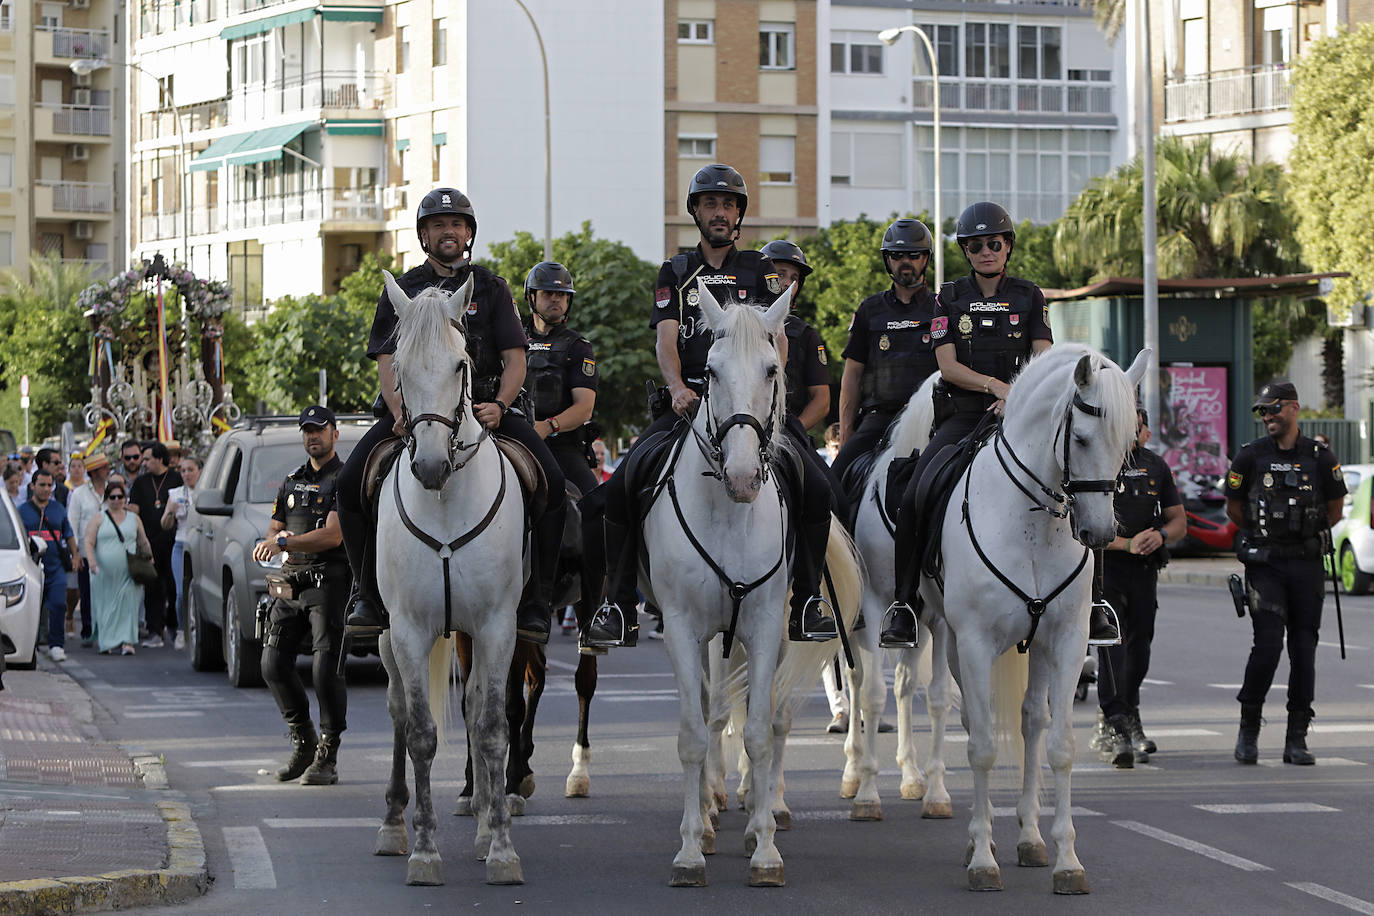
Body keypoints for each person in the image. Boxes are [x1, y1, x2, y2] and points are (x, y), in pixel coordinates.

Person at [584, 163, 836, 647]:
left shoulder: (761, 270)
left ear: (739, 214)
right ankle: (618, 604)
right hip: (688, 405)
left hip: (749, 410)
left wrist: (768, 393)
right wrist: (677, 386)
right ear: (695, 212)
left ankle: (806, 599)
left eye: (728, 204)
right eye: (710, 204)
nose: (719, 212)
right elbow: (665, 340)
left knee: (818, 488)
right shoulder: (675, 271)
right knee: (617, 491)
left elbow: (776, 341)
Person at [338, 187, 567, 646]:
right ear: (424, 235)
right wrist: (401, 410)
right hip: (416, 412)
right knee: (348, 486)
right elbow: (387, 360)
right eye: (439, 225)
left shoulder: (494, 288)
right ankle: (366, 594)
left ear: (468, 233)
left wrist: (501, 405)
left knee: (554, 483)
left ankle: (537, 599)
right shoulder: (400, 290)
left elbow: (515, 359)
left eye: (458, 224)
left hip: (486, 408)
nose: (450, 231)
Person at [886, 201, 1062, 649]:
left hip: (1021, 417)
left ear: (1007, 247)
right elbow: (947, 365)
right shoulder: (949, 296)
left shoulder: (1030, 295)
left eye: (995, 243)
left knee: (1079, 485)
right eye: (977, 245)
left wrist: (1017, 398)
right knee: (916, 493)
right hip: (964, 415)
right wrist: (998, 389)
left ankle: (1094, 603)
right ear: (966, 250)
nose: (987, 251)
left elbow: (1043, 359)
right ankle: (905, 603)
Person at [1225, 380, 1345, 766]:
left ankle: (1297, 737)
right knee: (1268, 645)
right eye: (1262, 411)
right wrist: (1267, 536)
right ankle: (1249, 728)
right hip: (1267, 564)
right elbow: (1235, 508)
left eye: (1273, 409)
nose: (1267, 417)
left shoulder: (1320, 457)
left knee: (1305, 652)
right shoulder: (1250, 457)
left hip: (1307, 565)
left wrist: (1303, 533)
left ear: (1293, 408)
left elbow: (1335, 509)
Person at [253, 406, 350, 785]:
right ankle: (303, 738)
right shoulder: (291, 480)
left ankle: (329, 751)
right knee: (272, 663)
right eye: (307, 430)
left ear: (334, 434)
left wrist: (283, 542)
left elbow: (333, 535)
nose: (313, 436)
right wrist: (270, 544)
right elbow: (274, 528)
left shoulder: (343, 478)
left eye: (320, 430)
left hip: (328, 580)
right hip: (290, 581)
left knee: (325, 669)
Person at [758, 238, 851, 632]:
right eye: (780, 274)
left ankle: (809, 595)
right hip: (737, 428)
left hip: (786, 433)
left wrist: (787, 426)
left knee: (830, 496)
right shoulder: (739, 323)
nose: (787, 283)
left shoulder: (805, 334)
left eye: (794, 278)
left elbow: (822, 399)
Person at [1093, 408, 1186, 768]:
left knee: (1141, 645)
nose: (1132, 432)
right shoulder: (1097, 460)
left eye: (1138, 426)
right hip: (1107, 569)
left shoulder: (1156, 466)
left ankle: (1129, 712)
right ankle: (1114, 723)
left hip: (1144, 570)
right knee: (1111, 648)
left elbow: (1179, 520)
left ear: (1145, 433)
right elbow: (1082, 523)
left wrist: (1160, 535)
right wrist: (1125, 544)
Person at [830, 219, 939, 488]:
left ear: (925, 258)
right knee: (832, 483)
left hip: (930, 419)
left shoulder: (942, 307)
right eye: (896, 255)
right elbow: (852, 377)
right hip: (878, 420)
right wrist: (846, 434)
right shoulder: (869, 310)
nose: (906, 261)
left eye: (914, 254)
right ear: (887, 260)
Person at [522, 261, 600, 496]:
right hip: (515, 438)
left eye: (561, 294)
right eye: (548, 293)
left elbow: (584, 408)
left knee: (596, 505)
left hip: (562, 445)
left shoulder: (578, 347)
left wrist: (548, 427)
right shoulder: (513, 341)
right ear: (532, 297)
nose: (555, 299)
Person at [83, 480, 149, 656]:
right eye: (112, 497)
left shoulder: (134, 518)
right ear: (107, 498)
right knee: (106, 608)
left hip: (129, 571)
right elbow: (89, 541)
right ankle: (108, 642)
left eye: (120, 496)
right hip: (104, 573)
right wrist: (91, 561)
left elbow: (142, 540)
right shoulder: (98, 518)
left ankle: (127, 642)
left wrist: (149, 559)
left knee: (129, 605)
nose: (116, 500)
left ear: (125, 498)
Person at [19, 469, 78, 661]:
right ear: (32, 486)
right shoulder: (22, 511)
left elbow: (68, 534)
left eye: (49, 485)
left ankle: (56, 645)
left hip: (56, 567)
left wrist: (75, 555)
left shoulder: (58, 508)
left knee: (59, 604)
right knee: (32, 609)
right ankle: (31, 645)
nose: (46, 489)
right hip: (31, 568)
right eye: (42, 485)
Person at [129, 442, 183, 648]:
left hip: (172, 542)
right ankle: (154, 630)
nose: (143, 463)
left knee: (173, 587)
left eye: (147, 459)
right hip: (148, 543)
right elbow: (134, 509)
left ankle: (173, 626)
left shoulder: (176, 480)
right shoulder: (141, 482)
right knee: (152, 588)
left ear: (160, 459)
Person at [69, 452, 112, 646]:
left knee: (108, 592)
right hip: (86, 551)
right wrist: (75, 553)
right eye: (104, 468)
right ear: (94, 472)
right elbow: (73, 523)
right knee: (86, 593)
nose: (108, 471)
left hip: (110, 551)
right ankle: (87, 629)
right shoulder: (79, 494)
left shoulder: (113, 490)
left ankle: (107, 629)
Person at [162, 455, 203, 633]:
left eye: (190, 470)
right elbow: (164, 525)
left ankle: (201, 629)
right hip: (181, 544)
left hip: (202, 546)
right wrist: (170, 513)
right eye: (183, 470)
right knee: (181, 592)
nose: (186, 474)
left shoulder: (207, 492)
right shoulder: (176, 494)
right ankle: (181, 628)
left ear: (199, 471)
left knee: (202, 590)